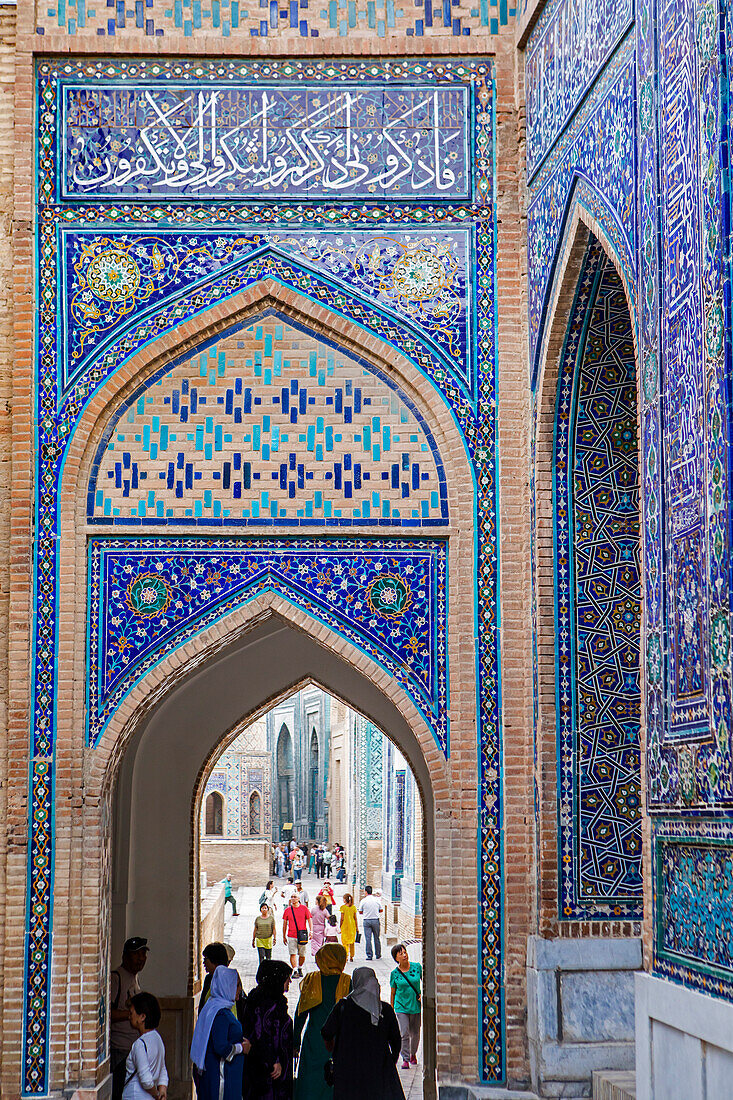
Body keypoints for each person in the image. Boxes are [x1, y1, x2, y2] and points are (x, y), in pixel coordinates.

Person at [321, 968, 405, 1100]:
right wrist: (389, 1062)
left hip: (348, 1072)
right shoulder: (385, 1010)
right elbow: (395, 1040)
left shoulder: (343, 1007)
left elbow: (326, 1031)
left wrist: (333, 1049)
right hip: (378, 1072)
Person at [293, 945, 350, 1100]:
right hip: (338, 1041)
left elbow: (300, 1014)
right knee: (335, 1081)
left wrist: (295, 1041)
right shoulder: (346, 982)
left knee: (311, 1081)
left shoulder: (312, 980)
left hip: (314, 1040)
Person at [190, 966, 248, 1100]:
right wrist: (242, 1048)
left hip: (220, 1073)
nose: (240, 989)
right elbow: (221, 1046)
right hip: (221, 1076)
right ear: (227, 985)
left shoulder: (214, 1006)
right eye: (237, 985)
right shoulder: (220, 1013)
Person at [242, 960, 294, 1100]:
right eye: (286, 979)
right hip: (266, 1071)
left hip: (272, 1067)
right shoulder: (265, 1004)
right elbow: (261, 1035)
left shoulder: (272, 1001)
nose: (289, 983)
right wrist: (272, 1061)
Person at [111, 936, 150, 1100]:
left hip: (133, 1048)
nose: (141, 959)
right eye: (137, 954)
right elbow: (109, 1014)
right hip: (120, 1050)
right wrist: (131, 1015)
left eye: (143, 954)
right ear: (125, 956)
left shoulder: (134, 977)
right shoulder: (116, 978)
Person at [122, 992, 168, 1100]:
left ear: (142, 1017)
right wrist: (162, 1091)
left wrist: (156, 1094)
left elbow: (146, 1080)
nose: (129, 1017)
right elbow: (163, 1069)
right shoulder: (157, 1038)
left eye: (132, 1013)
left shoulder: (139, 1045)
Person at [389, 944, 422, 1069]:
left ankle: (413, 1053)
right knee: (404, 1033)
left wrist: (422, 995)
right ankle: (405, 1058)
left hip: (415, 1005)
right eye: (401, 953)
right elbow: (393, 992)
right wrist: (392, 1008)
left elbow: (426, 983)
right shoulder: (395, 974)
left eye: (405, 952)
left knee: (416, 1033)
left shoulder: (417, 967)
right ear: (396, 958)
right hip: (401, 1006)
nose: (404, 955)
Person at [283, 892, 313, 978]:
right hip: (291, 935)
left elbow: (309, 919)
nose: (293, 899)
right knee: (292, 953)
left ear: (299, 899)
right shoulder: (287, 910)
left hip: (302, 934)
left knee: (302, 954)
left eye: (295, 897)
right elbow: (284, 924)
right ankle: (295, 970)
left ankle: (300, 967)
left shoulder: (304, 909)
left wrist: (311, 931)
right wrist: (284, 936)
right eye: (291, 897)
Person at [199, 942, 231, 1013]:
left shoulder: (229, 981)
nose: (203, 962)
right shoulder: (208, 979)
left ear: (215, 961)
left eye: (206, 959)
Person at [357, 887, 383, 961]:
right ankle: (378, 954)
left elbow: (360, 911)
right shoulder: (376, 900)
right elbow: (381, 910)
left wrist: (367, 912)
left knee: (368, 939)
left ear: (366, 892)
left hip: (367, 920)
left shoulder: (363, 901)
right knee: (376, 938)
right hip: (375, 920)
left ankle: (369, 955)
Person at [339, 895, 358, 962]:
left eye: (343, 899)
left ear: (346, 900)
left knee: (345, 942)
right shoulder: (353, 907)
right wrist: (357, 927)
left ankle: (346, 955)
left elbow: (342, 918)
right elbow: (355, 918)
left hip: (345, 926)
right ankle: (351, 956)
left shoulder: (343, 907)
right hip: (352, 927)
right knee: (352, 942)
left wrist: (340, 926)